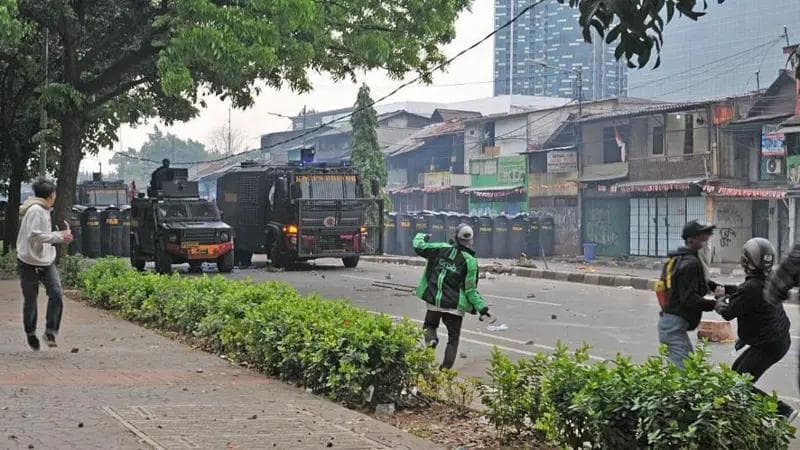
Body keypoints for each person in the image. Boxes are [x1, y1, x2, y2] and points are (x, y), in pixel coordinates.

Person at [714, 238, 796, 420]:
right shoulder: (768, 280)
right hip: (777, 339)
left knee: (739, 383)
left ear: (746, 261)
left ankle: (783, 411)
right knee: (735, 373)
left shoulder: (750, 288)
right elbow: (751, 302)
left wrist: (719, 299)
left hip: (768, 345)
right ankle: (740, 412)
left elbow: (728, 312)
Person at [413, 224, 494, 369]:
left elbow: (419, 246)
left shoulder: (441, 248)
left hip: (434, 301)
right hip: (454, 306)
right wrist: (482, 308)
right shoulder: (470, 261)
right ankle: (444, 371)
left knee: (430, 326)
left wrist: (422, 236)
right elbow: (470, 290)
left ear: (455, 237)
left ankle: (431, 340)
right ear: (471, 240)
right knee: (453, 339)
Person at [16, 178, 73, 350]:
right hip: (28, 261)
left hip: (46, 260)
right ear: (51, 195)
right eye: (54, 193)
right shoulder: (35, 210)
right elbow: (34, 235)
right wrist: (58, 237)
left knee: (56, 292)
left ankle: (50, 331)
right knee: (31, 299)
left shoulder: (44, 209)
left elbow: (44, 235)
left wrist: (59, 235)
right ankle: (30, 332)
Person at [657, 220, 719, 368]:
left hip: (670, 323)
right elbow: (689, 299)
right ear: (690, 240)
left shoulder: (681, 258)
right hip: (673, 326)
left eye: (707, 236)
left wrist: (726, 290)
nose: (706, 241)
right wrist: (715, 305)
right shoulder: (690, 263)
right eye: (702, 237)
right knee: (686, 372)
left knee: (683, 368)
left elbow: (702, 283)